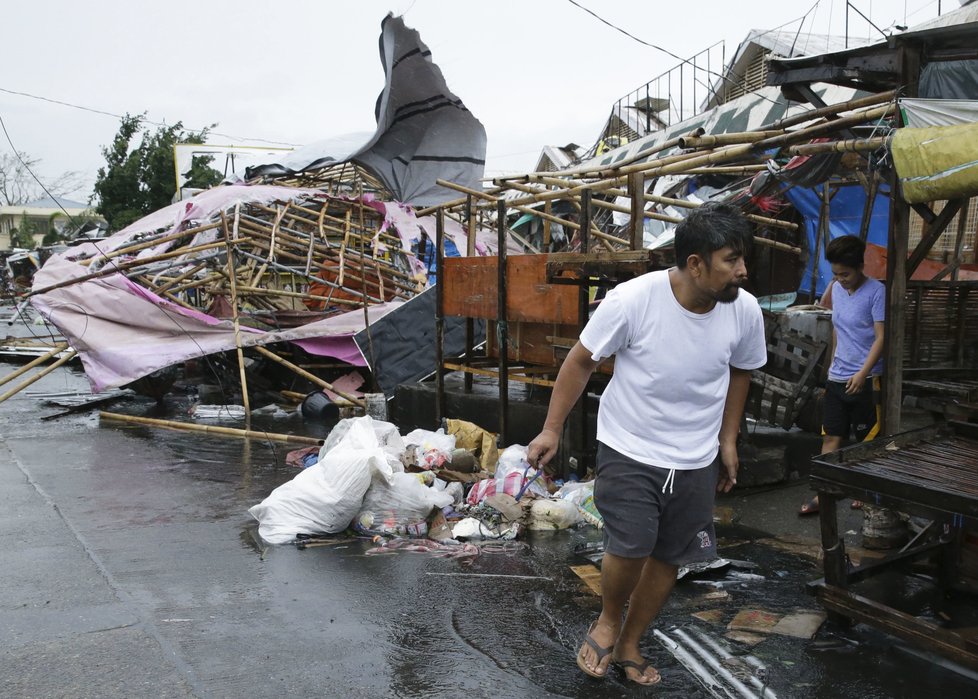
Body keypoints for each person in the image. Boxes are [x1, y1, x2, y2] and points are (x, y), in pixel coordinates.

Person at [526, 202, 767, 686]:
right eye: (731, 259)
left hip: (695, 454)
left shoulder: (744, 309)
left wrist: (727, 438)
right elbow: (580, 362)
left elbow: (742, 370)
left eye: (743, 259)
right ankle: (609, 619)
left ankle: (632, 639)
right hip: (630, 444)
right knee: (632, 546)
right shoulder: (632, 300)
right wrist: (551, 428)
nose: (742, 271)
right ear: (695, 263)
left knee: (670, 555)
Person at [799, 235, 885, 516]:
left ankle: (865, 492)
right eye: (835, 274)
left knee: (866, 441)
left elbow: (881, 338)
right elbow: (838, 329)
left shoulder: (876, 292)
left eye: (845, 273)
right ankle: (825, 493)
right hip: (837, 377)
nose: (840, 279)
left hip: (866, 378)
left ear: (860, 266)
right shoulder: (836, 289)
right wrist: (830, 368)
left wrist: (863, 373)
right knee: (830, 438)